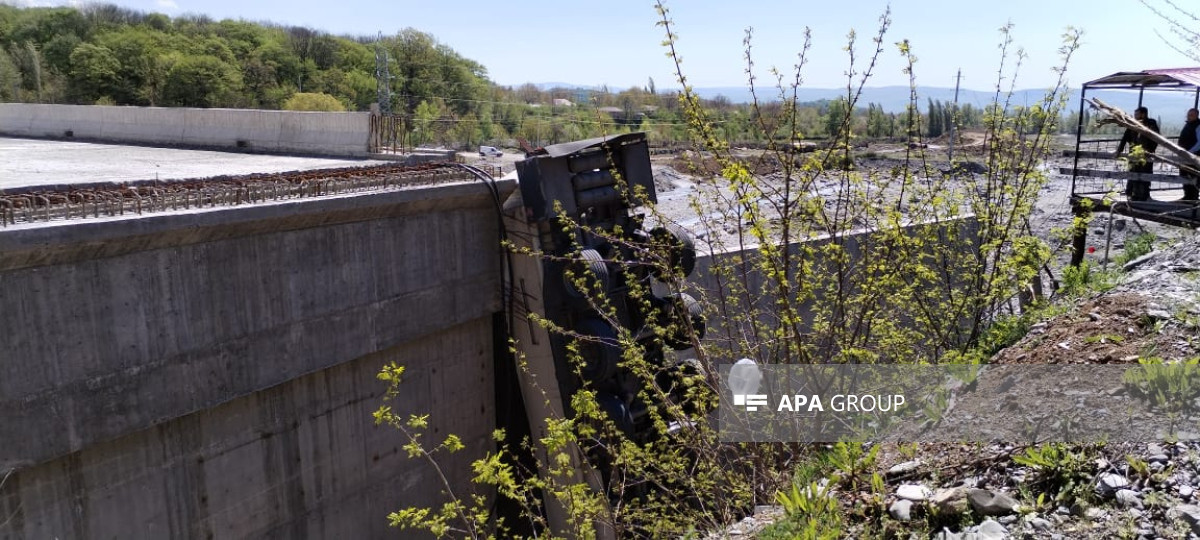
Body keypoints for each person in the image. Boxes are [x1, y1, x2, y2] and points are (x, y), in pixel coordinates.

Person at [1115, 106, 1159, 201]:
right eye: (1135, 114)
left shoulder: (1151, 123)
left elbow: (1156, 138)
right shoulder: (1132, 124)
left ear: (1143, 114)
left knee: (1146, 174)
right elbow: (1125, 137)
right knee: (1133, 173)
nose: (1135, 116)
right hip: (1133, 154)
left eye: (1137, 114)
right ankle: (1131, 194)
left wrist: (1150, 150)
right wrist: (1119, 150)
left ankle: (1145, 195)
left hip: (1146, 154)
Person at [1178, 107, 1200, 201]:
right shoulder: (1188, 124)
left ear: (1196, 115)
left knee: (1192, 175)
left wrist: (1190, 151)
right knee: (1184, 174)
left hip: (1193, 155)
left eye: (1191, 115)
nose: (1189, 116)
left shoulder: (1198, 125)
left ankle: (1193, 197)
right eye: (1188, 114)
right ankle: (1187, 195)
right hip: (1184, 155)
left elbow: (1199, 142)